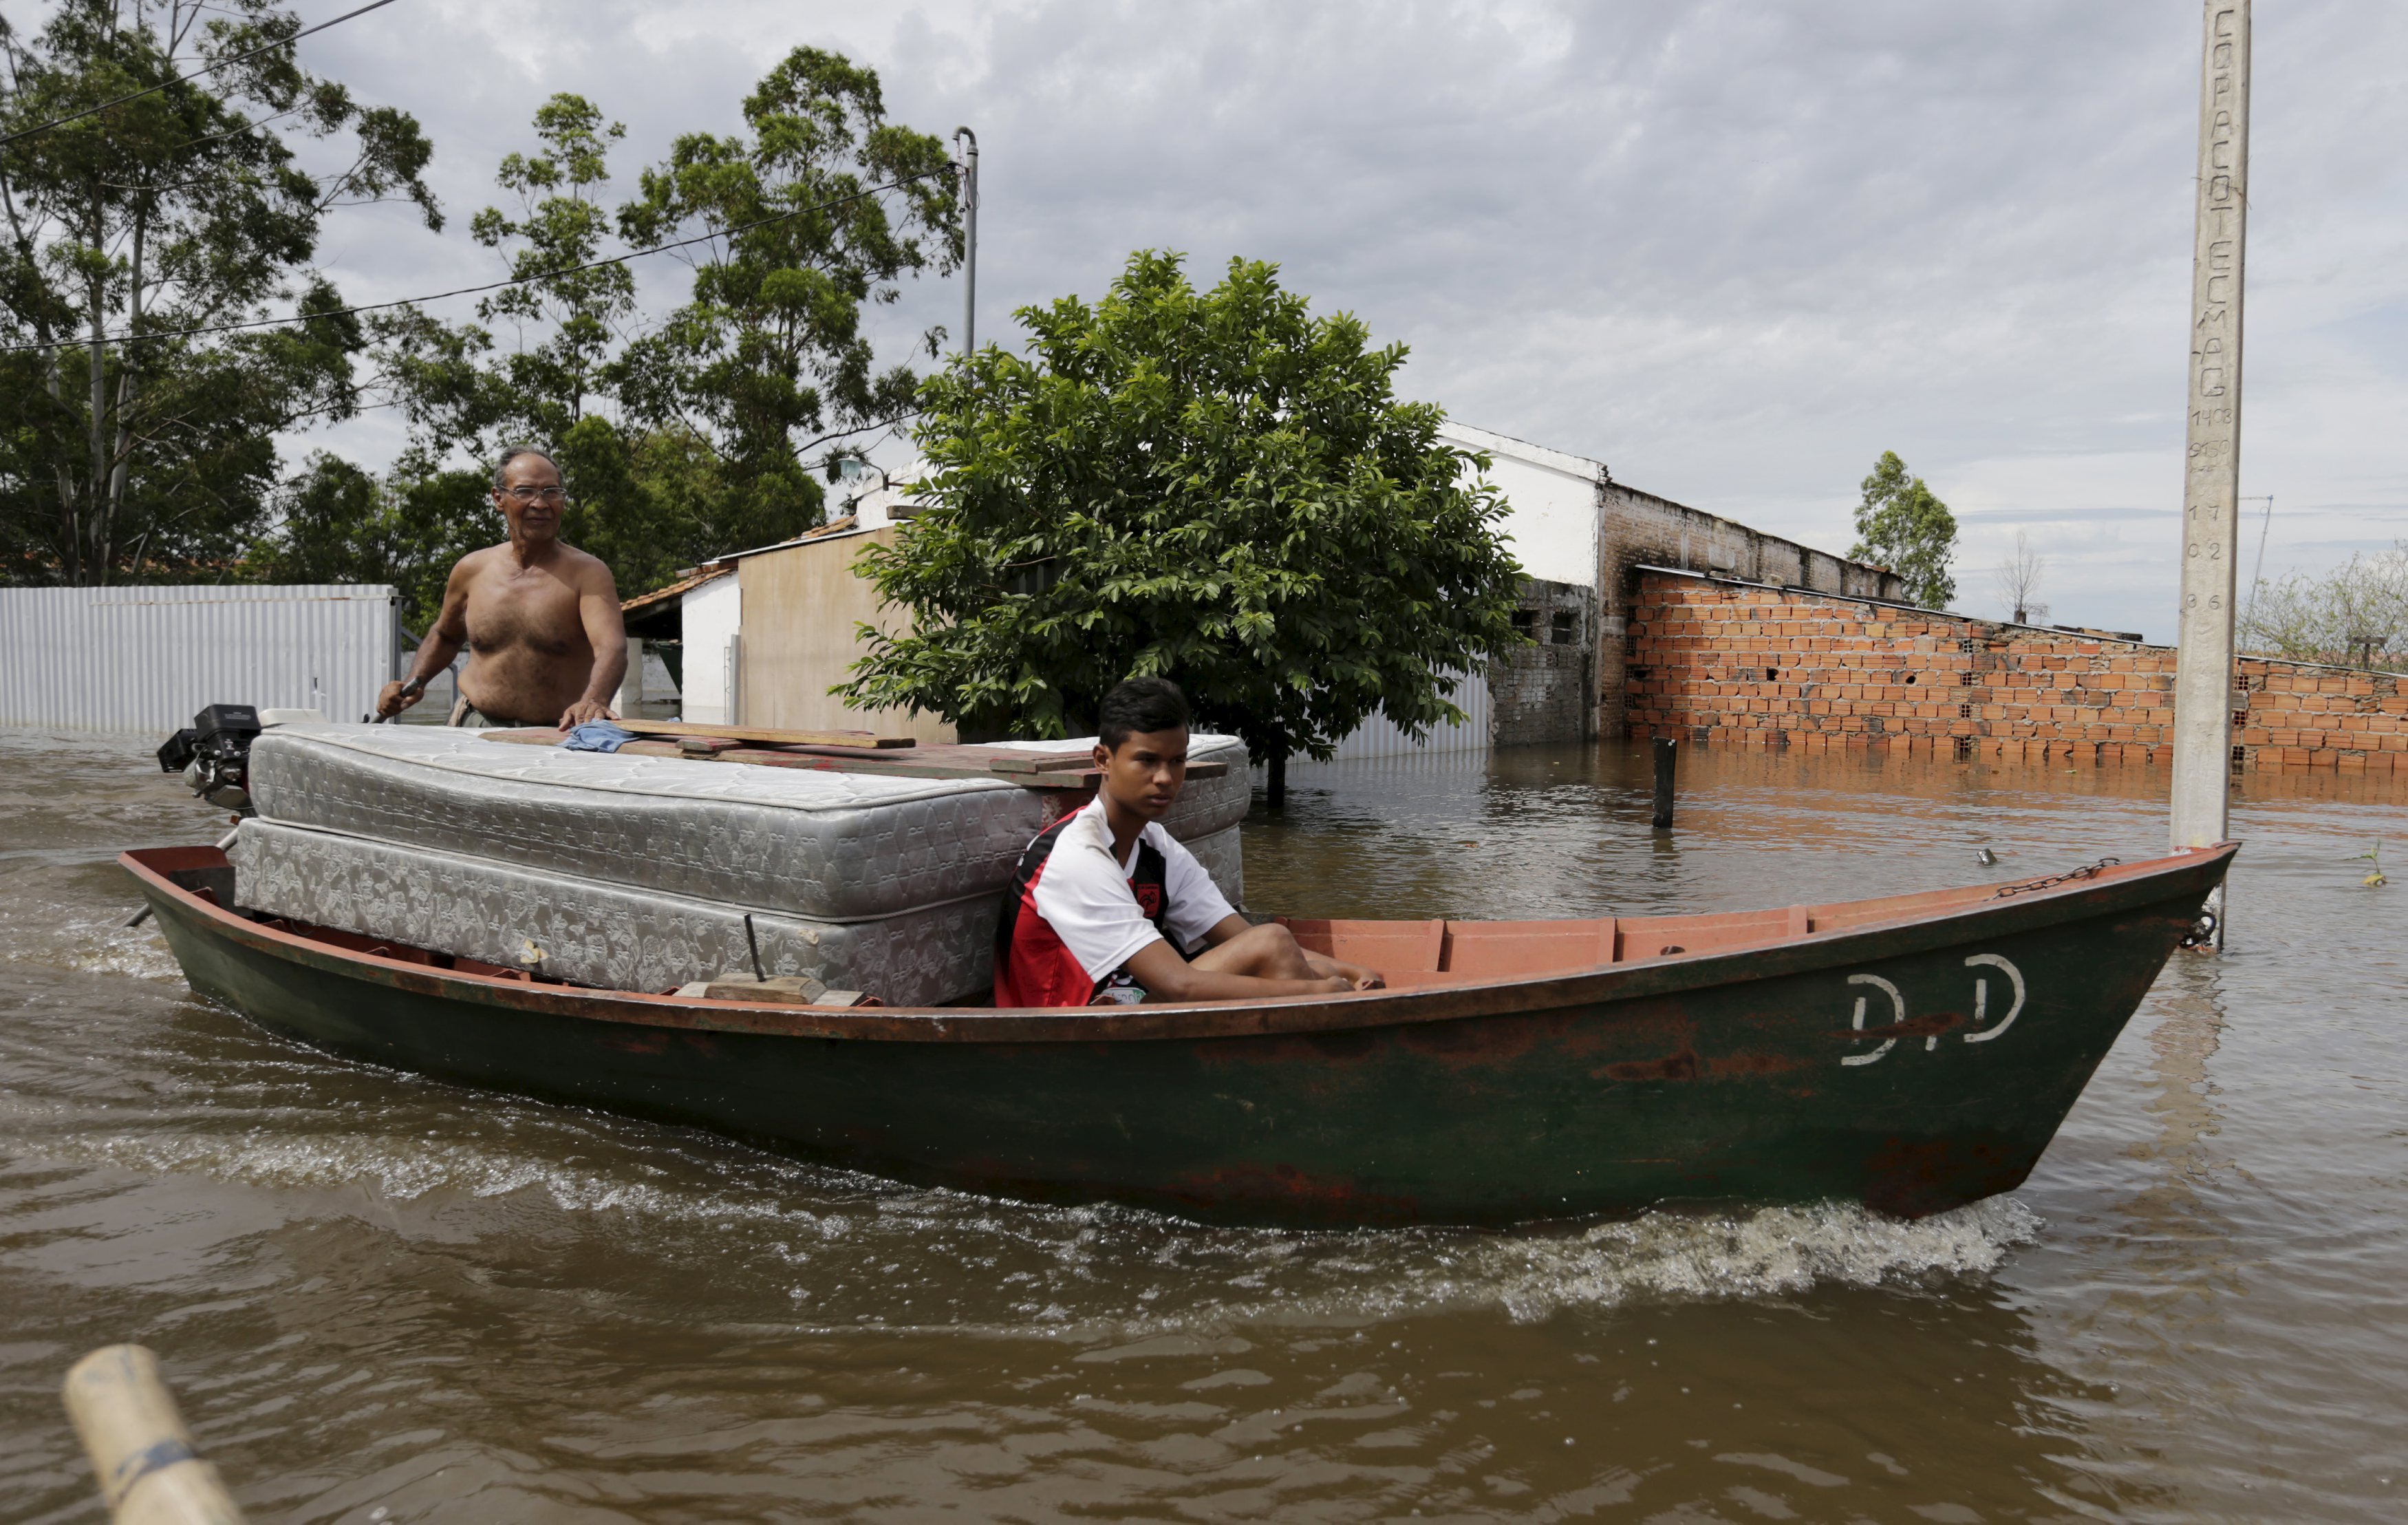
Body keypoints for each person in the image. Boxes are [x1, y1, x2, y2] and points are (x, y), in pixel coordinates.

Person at [993, 676, 1386, 1007]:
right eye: (1147, 761)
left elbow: (1238, 936)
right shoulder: (1078, 855)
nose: (1165, 778)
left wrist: (1350, 971)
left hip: (1125, 1005)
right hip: (1062, 1034)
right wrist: (1314, 992)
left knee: (1272, 942)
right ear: (1103, 760)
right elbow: (1177, 984)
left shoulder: (1155, 846)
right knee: (1273, 944)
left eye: (1177, 761)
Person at [377, 445, 627, 728]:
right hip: (474, 724)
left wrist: (594, 701)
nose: (540, 504)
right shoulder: (471, 570)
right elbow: (446, 636)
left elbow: (611, 648)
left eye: (551, 492)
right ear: (499, 498)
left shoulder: (589, 573)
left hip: (558, 733)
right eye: (524, 491)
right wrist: (415, 682)